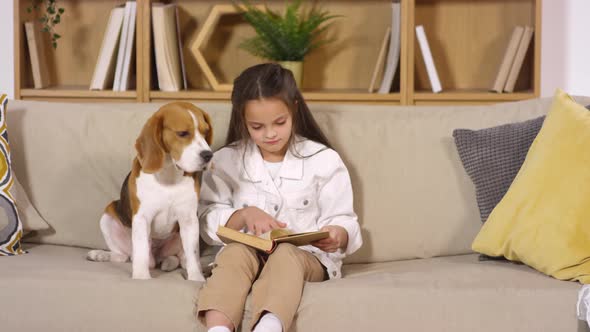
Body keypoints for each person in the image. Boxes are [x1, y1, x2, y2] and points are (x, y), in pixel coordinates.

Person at [196, 63, 363, 332]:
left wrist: (338, 233)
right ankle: (218, 329)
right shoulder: (225, 161)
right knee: (234, 254)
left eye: (280, 122)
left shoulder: (323, 160)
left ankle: (269, 326)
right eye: (257, 126)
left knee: (286, 254)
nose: (270, 134)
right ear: (242, 119)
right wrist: (243, 215)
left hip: (306, 256)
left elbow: (343, 218)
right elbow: (206, 220)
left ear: (294, 109)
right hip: (248, 252)